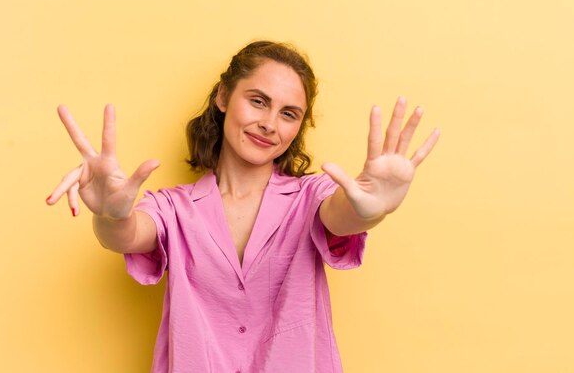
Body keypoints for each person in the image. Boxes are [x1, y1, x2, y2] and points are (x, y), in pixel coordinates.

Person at [46, 40, 439, 372]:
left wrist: (374, 209)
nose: (270, 124)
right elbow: (127, 234)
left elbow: (342, 215)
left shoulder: (311, 197)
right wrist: (108, 214)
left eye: (288, 114)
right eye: (258, 101)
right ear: (223, 96)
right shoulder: (174, 208)